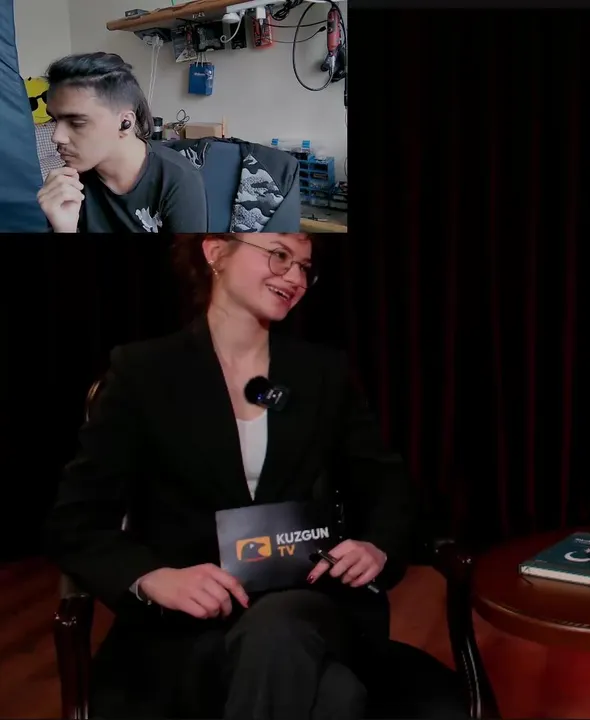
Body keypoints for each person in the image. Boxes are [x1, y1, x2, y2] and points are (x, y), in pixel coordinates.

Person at [45, 235, 458, 719]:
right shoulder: (142, 372)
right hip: (187, 628)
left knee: (281, 627)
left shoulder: (323, 373)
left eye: (304, 267)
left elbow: (388, 488)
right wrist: (152, 578)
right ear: (215, 252)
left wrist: (377, 546)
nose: (295, 277)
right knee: (335, 696)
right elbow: (75, 522)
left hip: (313, 607)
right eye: (280, 256)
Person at [37, 52, 207, 233]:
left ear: (125, 123)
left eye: (76, 123)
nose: (57, 136)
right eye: (54, 120)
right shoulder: (70, 185)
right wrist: (64, 229)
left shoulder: (178, 181)